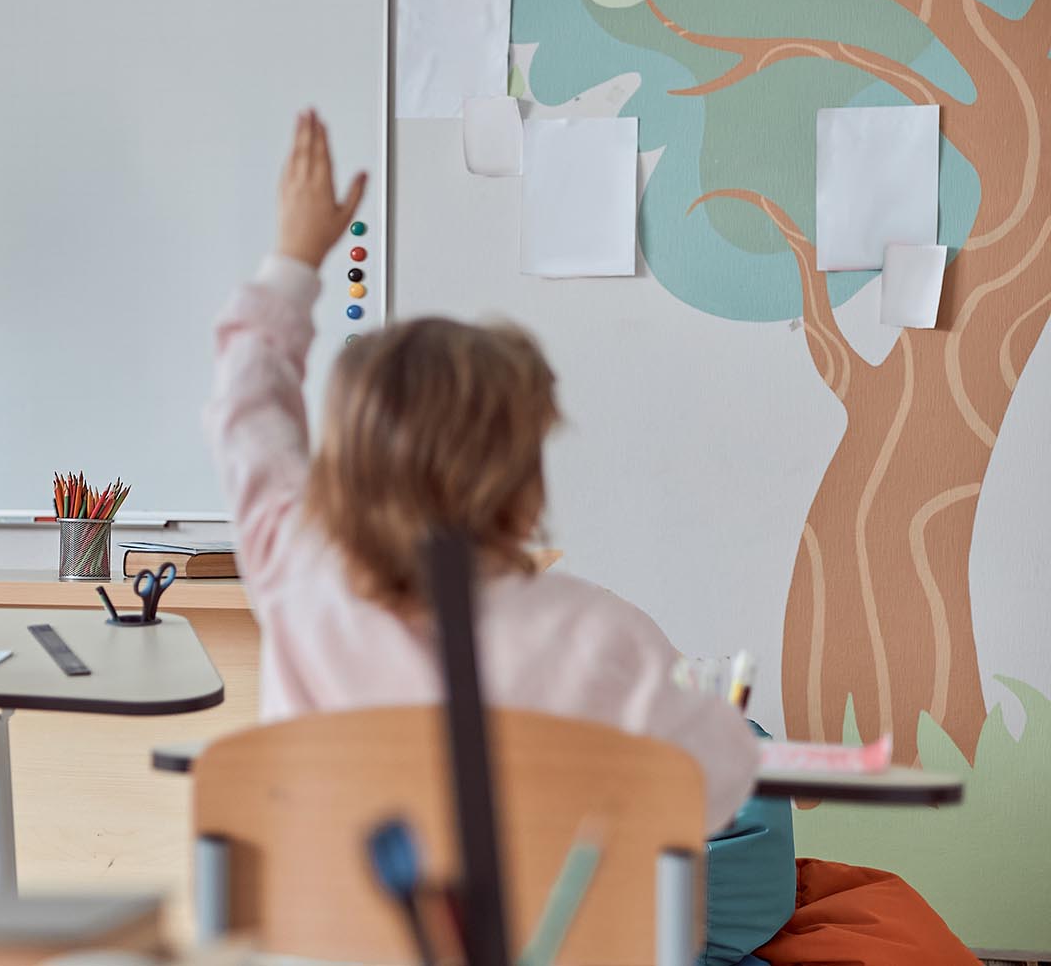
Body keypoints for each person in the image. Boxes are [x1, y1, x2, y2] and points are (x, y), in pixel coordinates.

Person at [208, 108, 777, 952]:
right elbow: (722, 787)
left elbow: (247, 412)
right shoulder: (603, 638)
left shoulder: (298, 581)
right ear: (521, 483)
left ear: (340, 471)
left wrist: (294, 260)